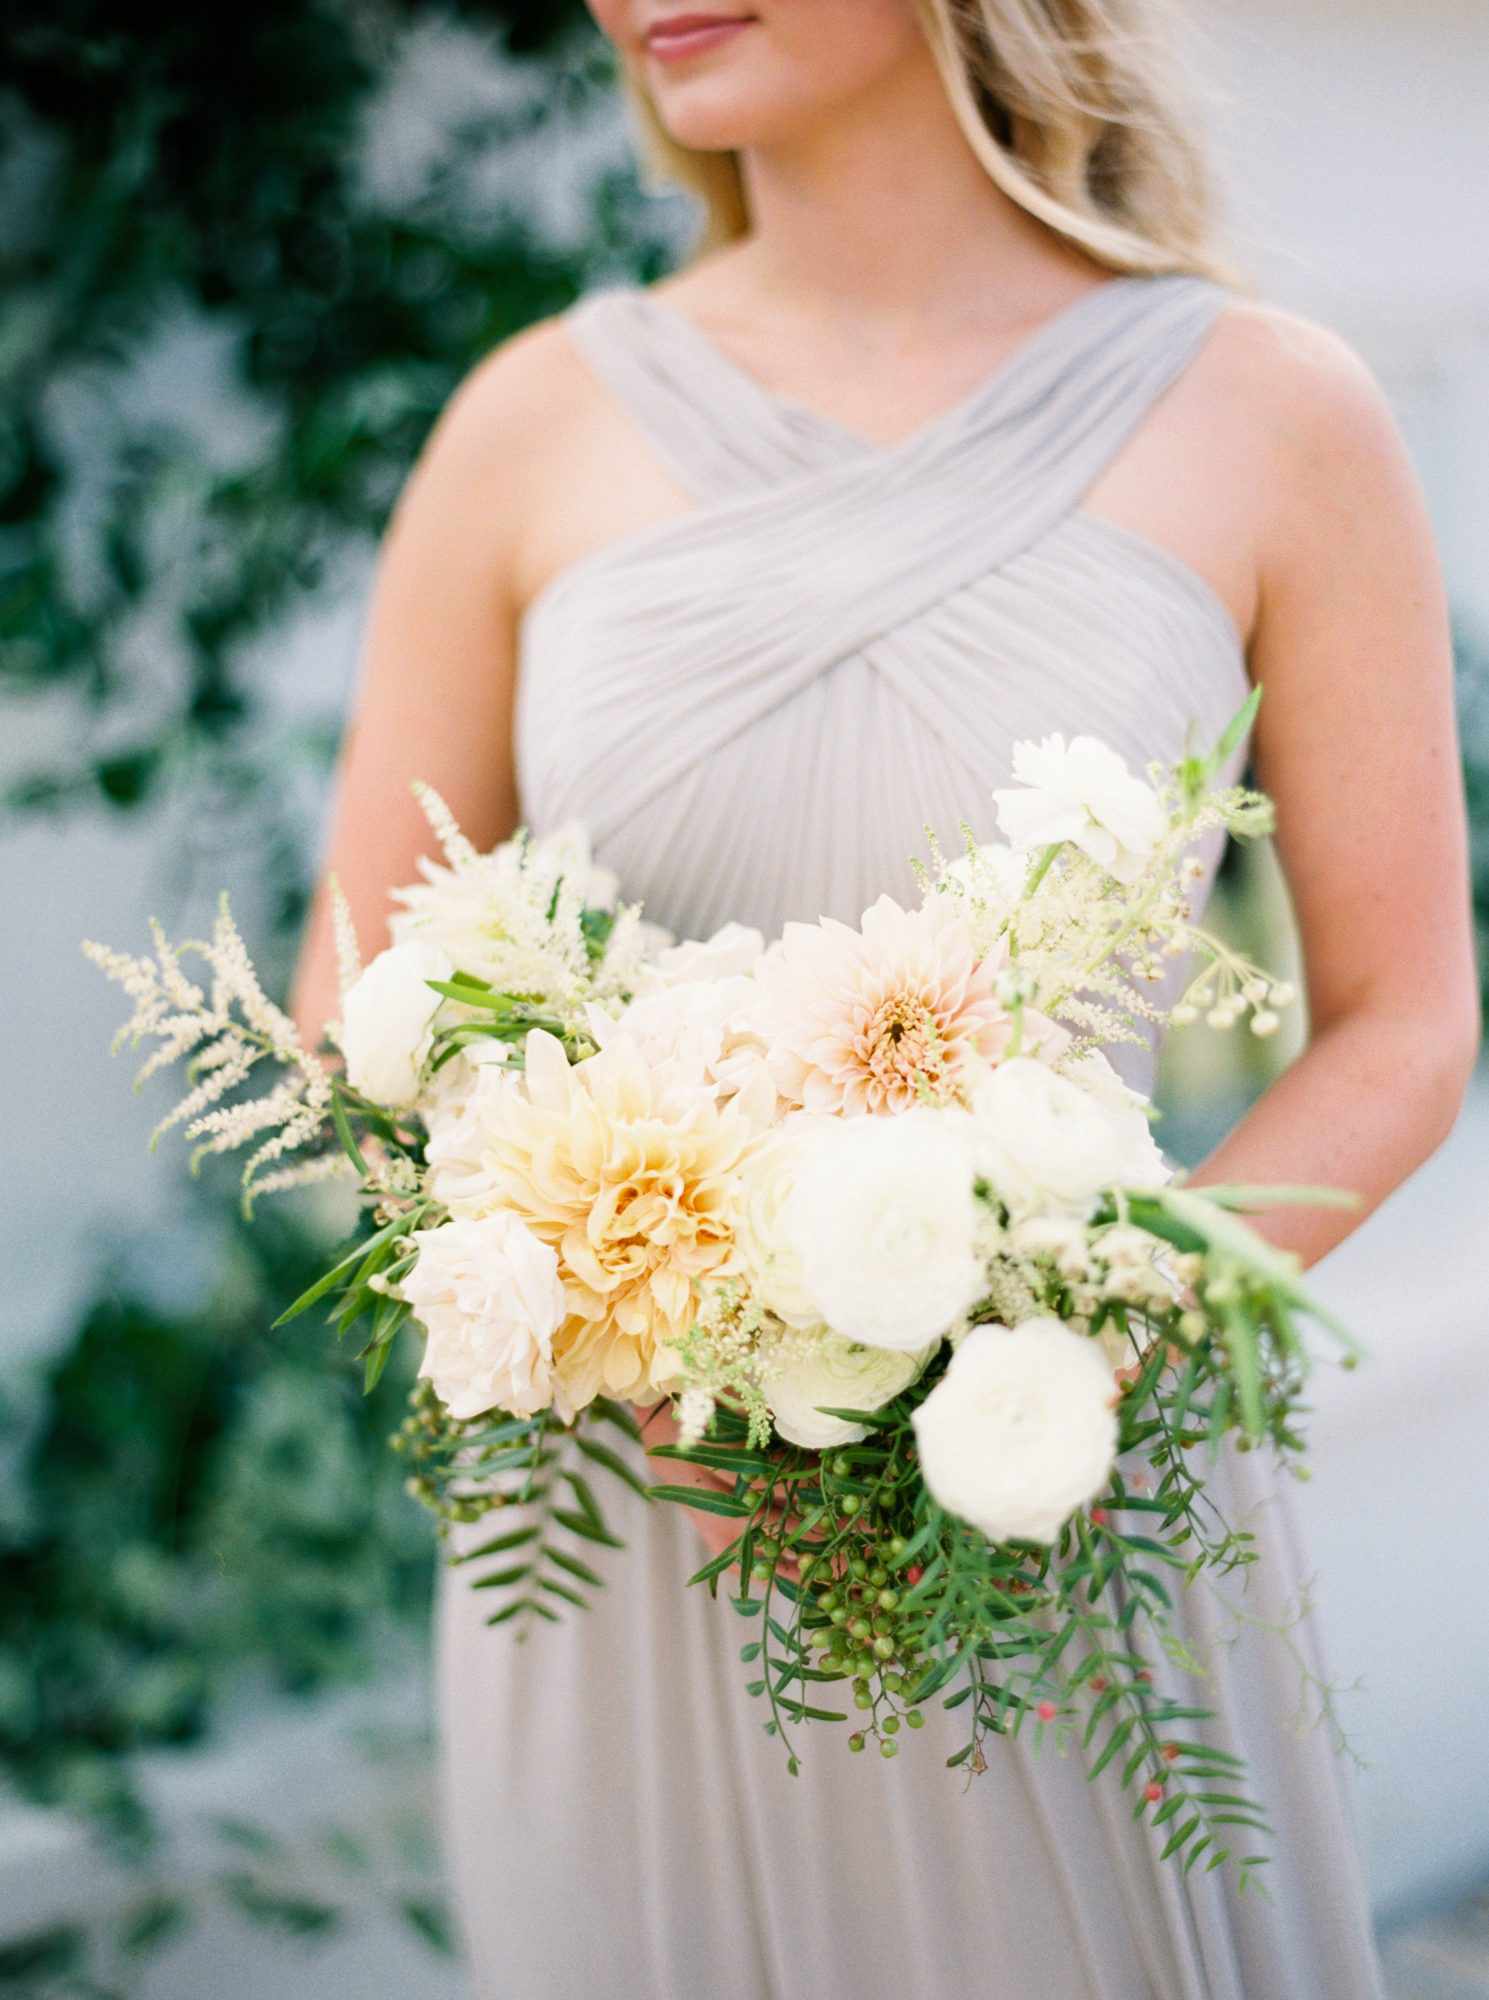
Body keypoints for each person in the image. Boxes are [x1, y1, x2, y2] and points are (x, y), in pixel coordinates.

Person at [289, 1, 1478, 1993]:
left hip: (1056, 1503)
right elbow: (352, 994)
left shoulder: (1271, 412)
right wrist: (626, 1314)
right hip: (626, 1531)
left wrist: (1101, 1332)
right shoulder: (527, 421)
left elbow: (1401, 1018)